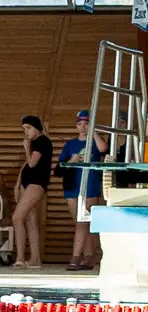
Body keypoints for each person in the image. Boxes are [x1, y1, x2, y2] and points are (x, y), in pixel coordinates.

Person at [59, 110, 106, 271]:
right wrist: (72, 160)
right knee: (81, 224)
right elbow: (60, 166)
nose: (83, 127)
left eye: (86, 124)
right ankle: (89, 257)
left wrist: (94, 132)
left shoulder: (94, 141)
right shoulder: (70, 144)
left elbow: (103, 148)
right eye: (80, 124)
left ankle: (75, 258)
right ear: (76, 126)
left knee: (83, 223)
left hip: (90, 186)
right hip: (73, 187)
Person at [15, 114, 53, 268]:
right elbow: (26, 166)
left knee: (17, 217)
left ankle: (20, 257)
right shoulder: (36, 142)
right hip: (27, 182)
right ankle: (35, 259)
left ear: (37, 127)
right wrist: (18, 182)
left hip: (36, 183)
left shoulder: (41, 141)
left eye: (28, 128)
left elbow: (31, 163)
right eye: (24, 129)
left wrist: (26, 148)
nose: (26, 132)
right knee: (30, 220)